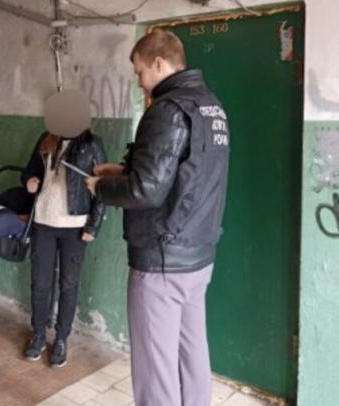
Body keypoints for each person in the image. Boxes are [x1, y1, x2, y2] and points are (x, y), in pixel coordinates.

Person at [86, 30, 230, 406]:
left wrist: (101, 188)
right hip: (198, 256)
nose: (139, 82)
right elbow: (182, 176)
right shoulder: (210, 106)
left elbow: (147, 191)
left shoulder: (166, 110)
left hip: (161, 261)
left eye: (139, 72)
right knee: (191, 353)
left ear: (159, 63)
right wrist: (124, 171)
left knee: (155, 370)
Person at [21, 90, 106, 367]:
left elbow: (102, 188)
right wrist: (29, 181)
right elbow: (29, 170)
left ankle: (60, 338)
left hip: (74, 226)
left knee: (68, 284)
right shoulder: (47, 139)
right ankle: (38, 334)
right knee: (40, 283)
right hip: (43, 221)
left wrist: (93, 226)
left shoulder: (92, 144)